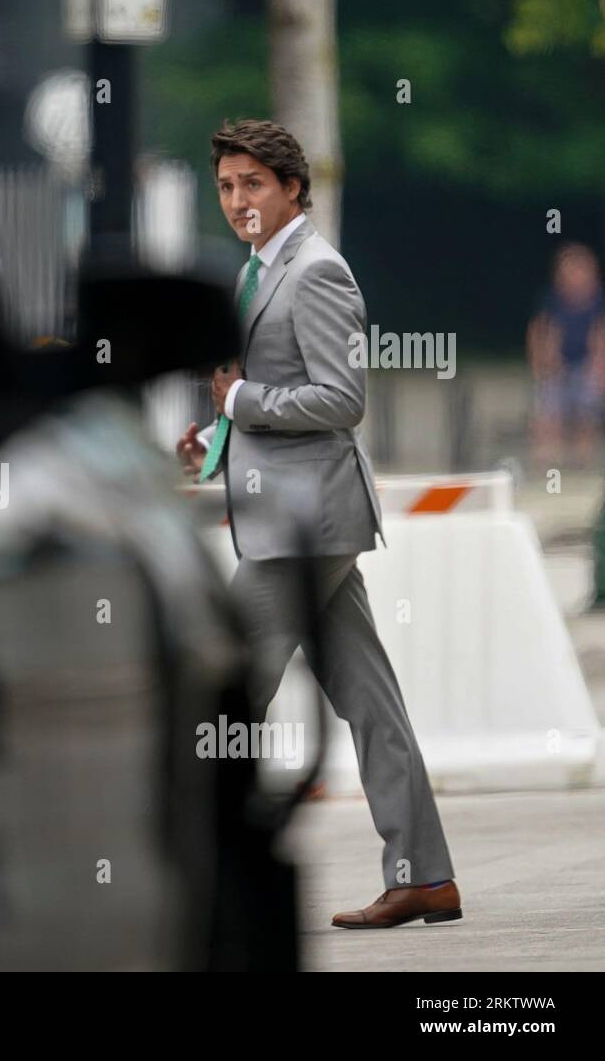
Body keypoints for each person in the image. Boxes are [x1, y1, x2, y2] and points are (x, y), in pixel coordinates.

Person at [176, 119, 460, 929]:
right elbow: (265, 392)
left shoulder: (316, 270)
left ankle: (188, 882)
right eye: (227, 186)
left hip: (305, 527)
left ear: (293, 187)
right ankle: (425, 876)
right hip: (293, 519)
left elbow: (343, 401)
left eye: (254, 185)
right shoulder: (260, 270)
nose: (239, 201)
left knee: (226, 700)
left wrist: (239, 401)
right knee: (374, 707)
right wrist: (216, 433)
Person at [527, 243, 605, 467]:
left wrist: (599, 368)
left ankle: (581, 465)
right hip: (555, 366)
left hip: (586, 365)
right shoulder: (551, 299)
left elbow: (600, 334)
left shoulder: (598, 299)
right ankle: (547, 465)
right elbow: (538, 330)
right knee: (548, 414)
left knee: (585, 416)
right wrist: (540, 363)